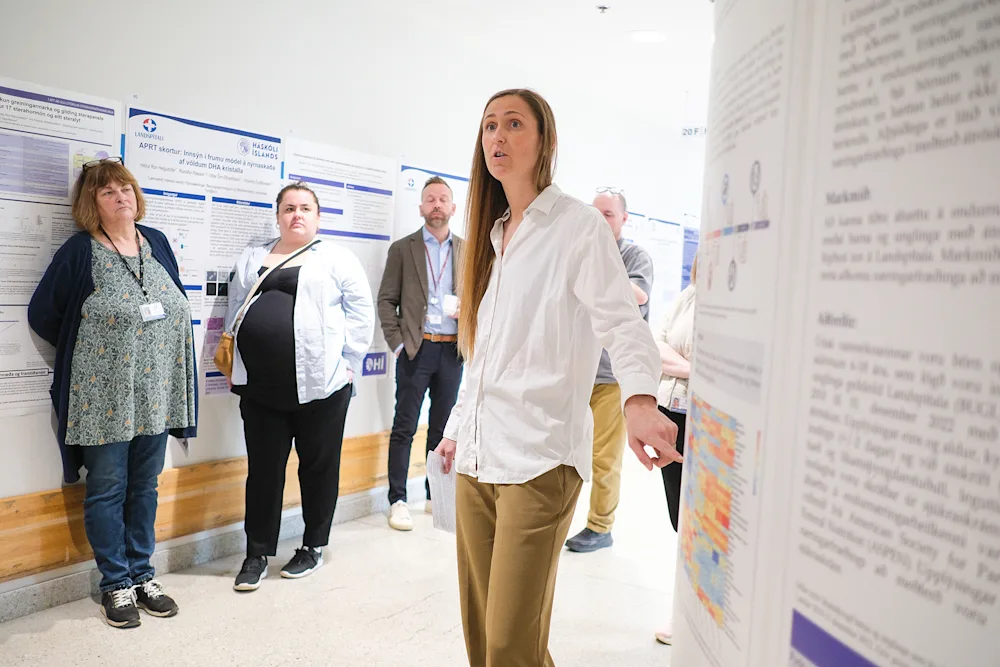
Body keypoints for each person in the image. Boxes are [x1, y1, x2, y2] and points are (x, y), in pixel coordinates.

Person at [433, 88, 682, 666]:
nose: (497, 136)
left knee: (509, 643)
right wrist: (454, 428)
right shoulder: (495, 236)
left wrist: (640, 400)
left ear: (544, 140)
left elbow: (622, 322)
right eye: (489, 125)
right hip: (476, 458)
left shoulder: (576, 226)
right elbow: (485, 354)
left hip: (540, 460)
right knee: (482, 636)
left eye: (513, 124)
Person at [28, 157, 198, 629]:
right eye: (108, 192)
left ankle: (143, 575)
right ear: (92, 203)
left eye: (125, 188)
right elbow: (44, 313)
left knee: (145, 486)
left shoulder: (156, 242)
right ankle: (115, 584)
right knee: (106, 488)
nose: (121, 196)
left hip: (156, 394)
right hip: (101, 397)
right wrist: (96, 353)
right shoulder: (80, 250)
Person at [227, 182, 374, 592]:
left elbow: (361, 312)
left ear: (317, 217)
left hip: (322, 387)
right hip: (261, 388)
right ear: (278, 216)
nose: (297, 215)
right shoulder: (253, 257)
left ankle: (313, 546)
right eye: (289, 208)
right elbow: (235, 307)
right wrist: (233, 361)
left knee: (318, 468)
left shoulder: (337, 258)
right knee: (263, 472)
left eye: (305, 208)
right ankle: (257, 553)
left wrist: (349, 363)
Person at [564, 188, 654, 553]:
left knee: (604, 458)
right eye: (596, 213)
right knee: (567, 452)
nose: (601, 221)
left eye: (609, 214)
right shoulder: (582, 250)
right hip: (576, 373)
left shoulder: (634, 256)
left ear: (624, 219)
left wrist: (598, 271)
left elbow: (638, 295)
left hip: (610, 377)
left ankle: (600, 526)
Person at [378, 176, 464, 531]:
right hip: (416, 349)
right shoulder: (403, 249)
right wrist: (399, 345)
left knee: (443, 430)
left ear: (453, 208)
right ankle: (398, 500)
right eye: (430, 199)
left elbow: (481, 297)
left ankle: (435, 497)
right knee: (405, 427)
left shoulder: (467, 249)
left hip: (452, 351)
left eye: (443, 199)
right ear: (421, 208)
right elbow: (386, 301)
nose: (437, 204)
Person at [651, 255, 697, 646]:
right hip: (672, 416)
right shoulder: (687, 296)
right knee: (679, 519)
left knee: (703, 522)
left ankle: (690, 610)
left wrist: (676, 363)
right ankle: (683, 606)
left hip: (708, 420)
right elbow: (655, 345)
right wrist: (692, 368)